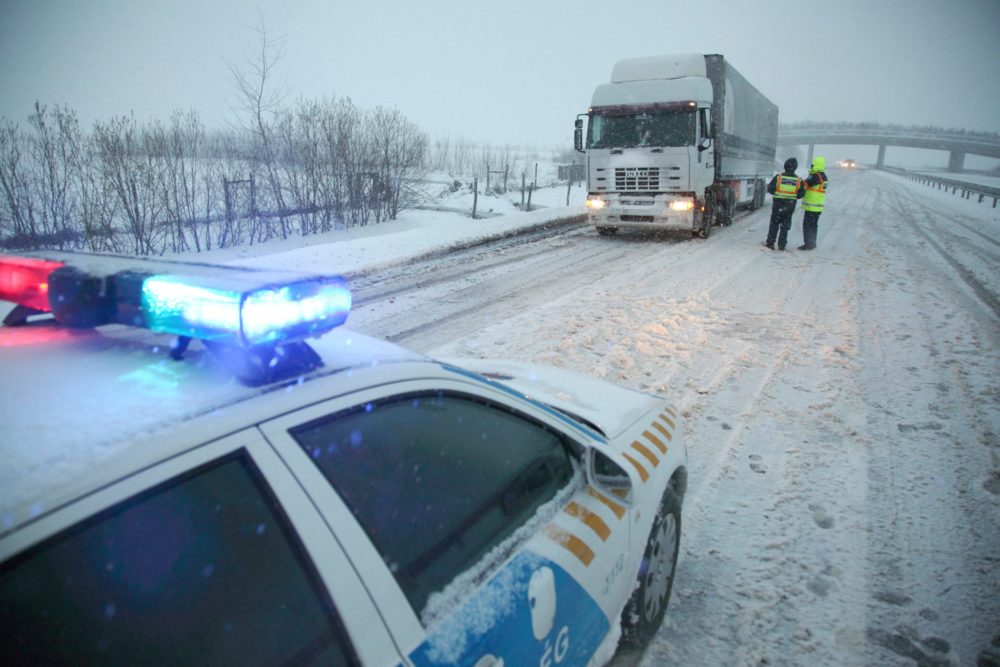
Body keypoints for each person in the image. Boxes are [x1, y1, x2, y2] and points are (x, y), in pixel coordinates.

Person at [764, 158, 805, 250]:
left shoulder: (778, 177)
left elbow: (770, 188)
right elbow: (802, 193)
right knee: (785, 226)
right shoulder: (798, 180)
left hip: (777, 205)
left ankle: (770, 243)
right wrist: (793, 196)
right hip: (790, 207)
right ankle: (782, 245)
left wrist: (777, 193)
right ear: (795, 167)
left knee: (774, 224)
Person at [799, 156, 829, 250]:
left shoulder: (817, 176)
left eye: (813, 164)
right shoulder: (823, 175)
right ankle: (811, 243)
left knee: (808, 226)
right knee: (813, 225)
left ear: (816, 165)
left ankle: (809, 244)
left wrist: (798, 182)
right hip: (817, 206)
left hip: (812, 206)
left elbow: (806, 184)